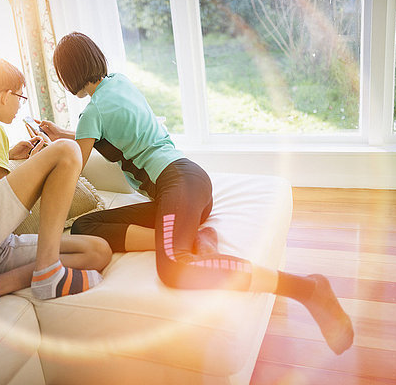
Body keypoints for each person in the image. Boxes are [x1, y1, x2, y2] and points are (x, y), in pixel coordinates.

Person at [39, 32, 354, 354]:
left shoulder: (93, 113)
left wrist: (44, 162)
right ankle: (192, 238)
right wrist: (59, 135)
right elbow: (97, 135)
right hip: (186, 184)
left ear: (68, 74)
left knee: (175, 268)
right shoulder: (119, 84)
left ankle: (308, 288)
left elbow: (73, 165)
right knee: (84, 228)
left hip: (178, 183)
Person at [0, 57, 111, 330]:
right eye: (20, 97)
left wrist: (10, 156)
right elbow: (0, 188)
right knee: (68, 150)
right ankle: (50, 272)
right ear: (5, 96)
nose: (20, 105)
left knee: (98, 251)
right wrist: (36, 165)